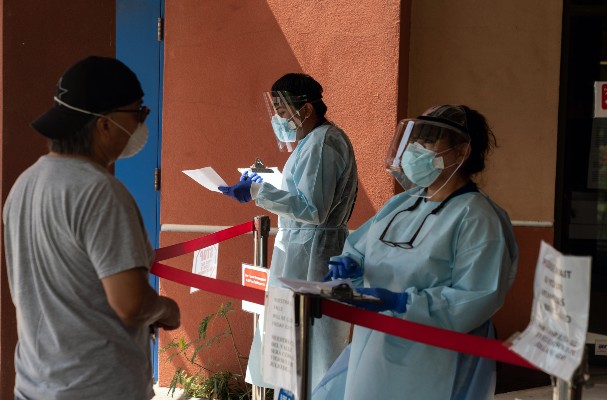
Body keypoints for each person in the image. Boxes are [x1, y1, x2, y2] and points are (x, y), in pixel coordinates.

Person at [3, 56, 180, 400]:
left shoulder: (25, 184)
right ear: (105, 125)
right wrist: (167, 310)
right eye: (138, 113)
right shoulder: (100, 192)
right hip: (97, 387)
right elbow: (131, 304)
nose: (142, 123)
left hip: (34, 385)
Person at [318, 105, 518, 400]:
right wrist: (351, 266)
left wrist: (403, 302)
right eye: (414, 141)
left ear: (461, 152)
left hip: (432, 352)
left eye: (427, 142)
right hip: (375, 341)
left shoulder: (476, 216)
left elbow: (478, 294)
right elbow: (361, 248)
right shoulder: (402, 203)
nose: (414, 149)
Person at [218, 73, 358, 392]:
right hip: (300, 250)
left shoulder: (323, 143)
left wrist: (258, 192)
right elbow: (300, 190)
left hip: (314, 255)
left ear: (306, 110)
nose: (279, 118)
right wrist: (264, 178)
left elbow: (313, 209)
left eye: (283, 110)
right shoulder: (311, 142)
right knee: (290, 345)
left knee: (314, 348)